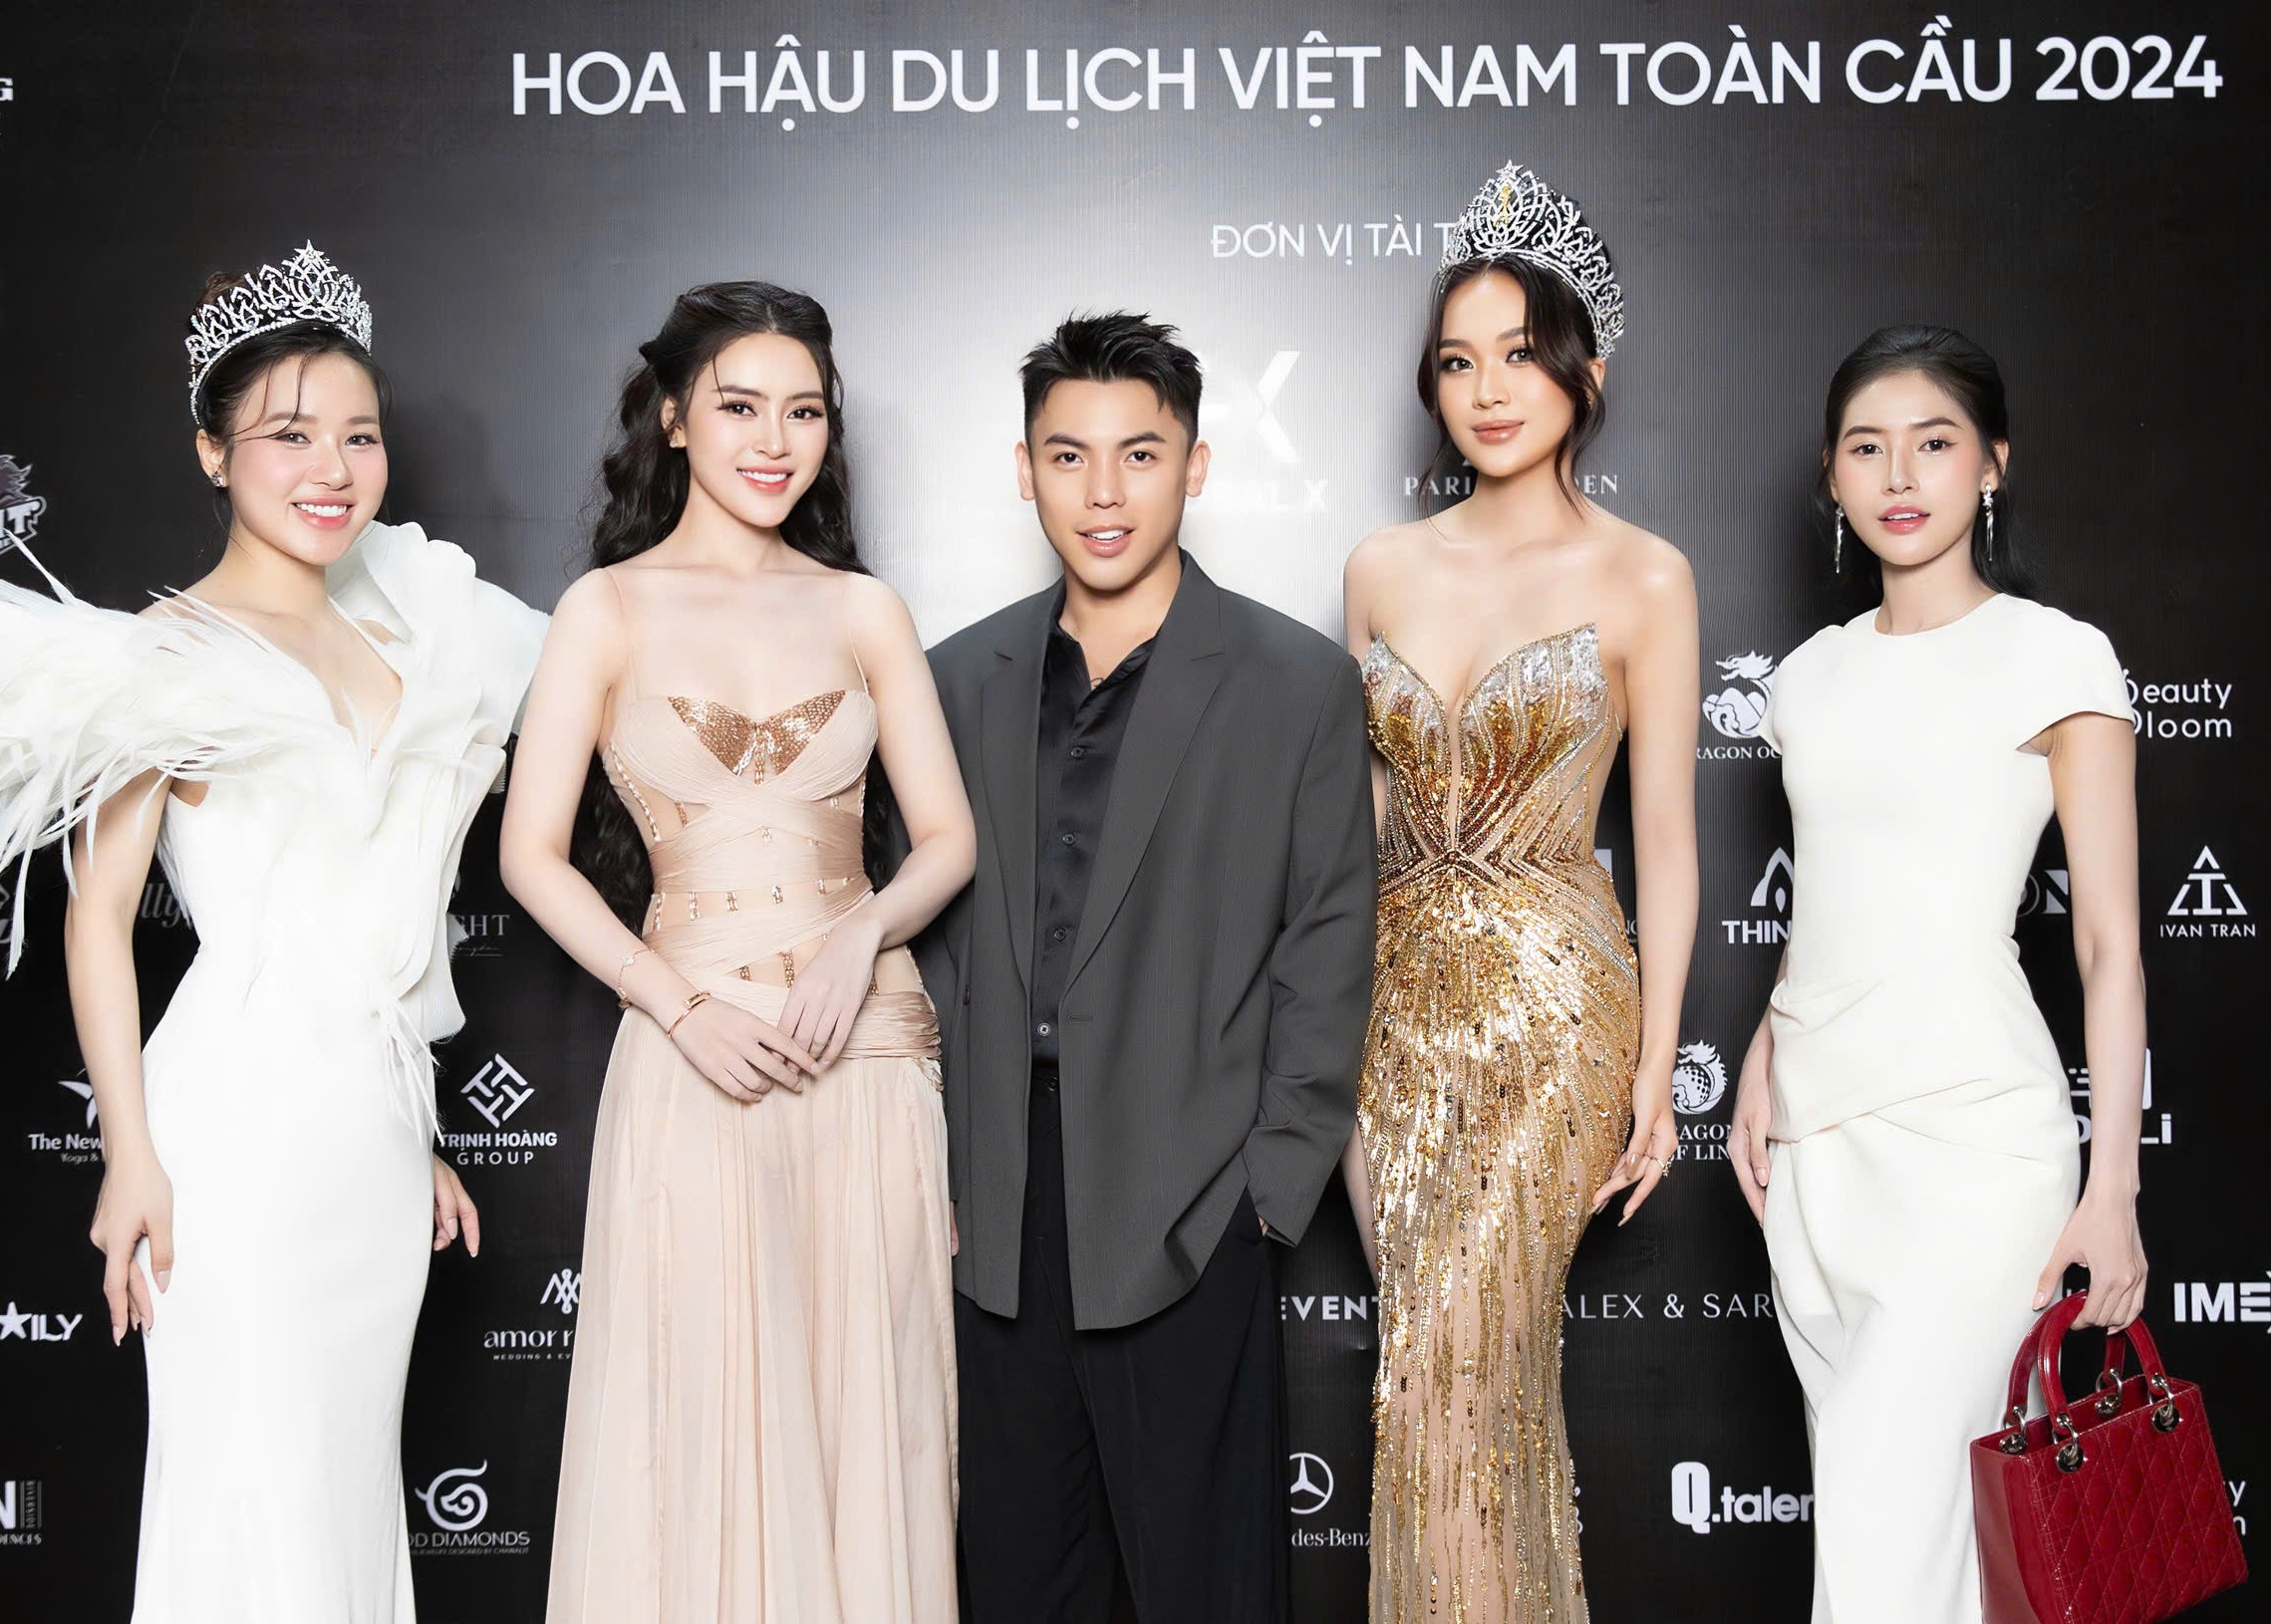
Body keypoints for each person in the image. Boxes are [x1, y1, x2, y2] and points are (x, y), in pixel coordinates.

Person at [0, 243, 546, 1622]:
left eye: (359, 435)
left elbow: (363, 916)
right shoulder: (164, 652)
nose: (332, 468)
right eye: (288, 434)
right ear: (213, 451)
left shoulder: (406, 646)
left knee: (340, 1490)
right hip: (236, 1132)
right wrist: (130, 1154)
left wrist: (417, 1129)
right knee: (251, 1485)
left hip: (372, 1132)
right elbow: (99, 918)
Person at [498, 281, 974, 1623]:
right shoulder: (604, 609)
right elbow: (529, 855)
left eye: (804, 412)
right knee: (694, 1422)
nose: (775, 441)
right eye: (740, 407)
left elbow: (945, 840)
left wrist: (862, 933)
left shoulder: (865, 610)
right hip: (694, 1054)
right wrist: (677, 1005)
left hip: (866, 1055)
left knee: (863, 1422)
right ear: (674, 417)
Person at [918, 312, 1375, 1624]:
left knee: (1203, 1586)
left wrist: (1267, 1196)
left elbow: (1328, 941)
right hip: (998, 1199)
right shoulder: (954, 678)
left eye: (1139, 454)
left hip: (1193, 1196)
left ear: (1197, 466)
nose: (1103, 493)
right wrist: (937, 1167)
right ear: (1024, 471)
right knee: (1018, 1579)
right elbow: (928, 941)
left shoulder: (1295, 682)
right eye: (1069, 457)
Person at [1729, 325, 2146, 1623]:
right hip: (1811, 1152)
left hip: (1972, 1149)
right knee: (1924, 1558)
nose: (1898, 474)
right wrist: (1761, 1056)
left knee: (1883, 1545)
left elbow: (2108, 942)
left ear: (1991, 464)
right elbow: (1836, 894)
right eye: (1866, 447)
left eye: (1933, 441)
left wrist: (2114, 1189)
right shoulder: (1805, 680)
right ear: (1831, 478)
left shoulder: (2056, 659)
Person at [1339, 162, 1700, 1624]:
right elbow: (1358, 826)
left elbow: (1665, 841)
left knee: (1459, 1360)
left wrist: (1657, 1070)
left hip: (1556, 1016)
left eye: (1519, 355)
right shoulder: (1377, 567)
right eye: (1456, 362)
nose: (1487, 390)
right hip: (1392, 1015)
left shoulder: (1646, 578)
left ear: (1584, 374)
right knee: (1432, 1379)